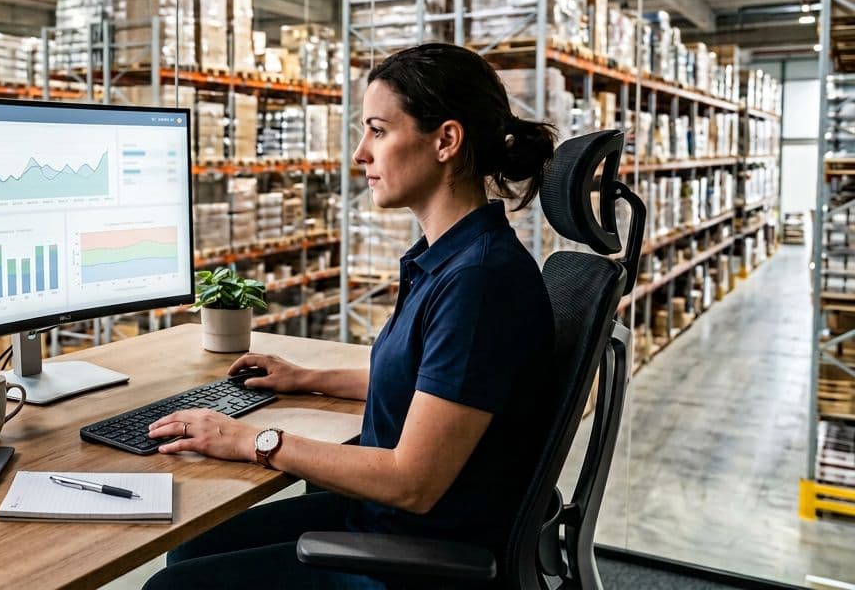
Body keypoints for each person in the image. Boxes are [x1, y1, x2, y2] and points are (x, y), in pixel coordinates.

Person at [143, 43, 558, 589]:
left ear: (446, 141)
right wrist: (307, 378)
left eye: (378, 131)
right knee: (189, 548)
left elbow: (412, 481)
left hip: (417, 553)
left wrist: (252, 440)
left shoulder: (478, 281)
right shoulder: (453, 257)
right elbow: (430, 386)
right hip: (389, 520)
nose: (361, 153)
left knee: (171, 587)